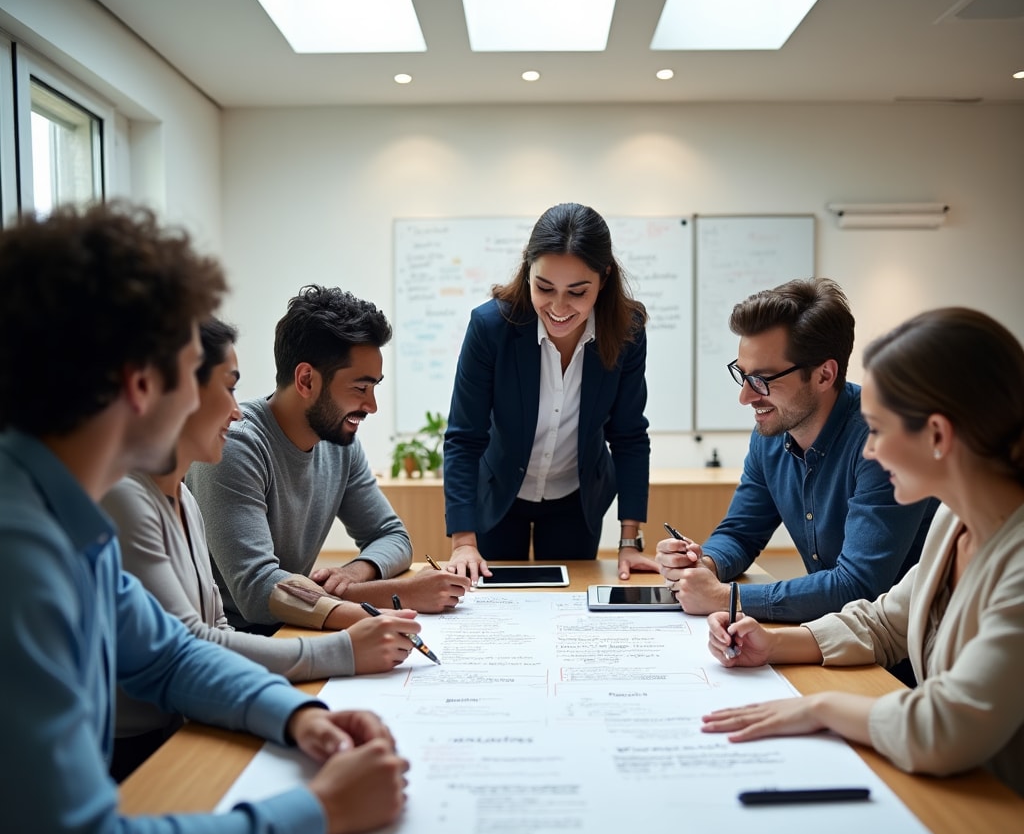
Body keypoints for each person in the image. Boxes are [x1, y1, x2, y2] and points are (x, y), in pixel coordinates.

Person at [0, 202, 409, 834]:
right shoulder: (21, 557)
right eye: (198, 373)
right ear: (139, 385)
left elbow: (165, 654)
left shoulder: (59, 513)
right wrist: (317, 815)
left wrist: (292, 717)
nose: (212, 400)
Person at [702, 308, 1024, 797]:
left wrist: (819, 708)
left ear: (937, 436)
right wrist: (775, 644)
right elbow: (884, 622)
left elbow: (943, 727)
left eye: (878, 429)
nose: (868, 451)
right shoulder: (954, 521)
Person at [102, 316, 422, 781]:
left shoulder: (183, 499)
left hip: (184, 718)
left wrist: (300, 716)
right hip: (123, 749)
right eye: (228, 389)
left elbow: (211, 631)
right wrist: (346, 644)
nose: (236, 411)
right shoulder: (127, 497)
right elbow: (196, 644)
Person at [187, 284, 470, 633]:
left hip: (301, 626)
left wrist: (353, 573)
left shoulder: (339, 442)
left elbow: (392, 536)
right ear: (306, 380)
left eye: (374, 388)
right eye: (360, 388)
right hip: (242, 644)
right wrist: (399, 594)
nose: (372, 406)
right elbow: (259, 593)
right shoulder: (236, 446)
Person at [656, 277, 935, 624]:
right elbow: (741, 533)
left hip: (903, 652)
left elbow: (858, 586)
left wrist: (726, 597)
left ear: (823, 375)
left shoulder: (883, 443)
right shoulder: (770, 435)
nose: (745, 396)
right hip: (836, 638)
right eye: (742, 375)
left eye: (763, 380)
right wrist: (704, 564)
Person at [443, 202, 660, 583]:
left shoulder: (627, 332)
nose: (559, 307)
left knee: (570, 607)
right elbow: (464, 437)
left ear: (604, 279)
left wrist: (630, 540)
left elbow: (628, 436)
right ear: (528, 270)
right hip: (498, 495)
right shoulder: (490, 327)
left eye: (577, 292)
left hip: (577, 499)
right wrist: (463, 541)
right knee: (496, 607)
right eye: (545, 288)